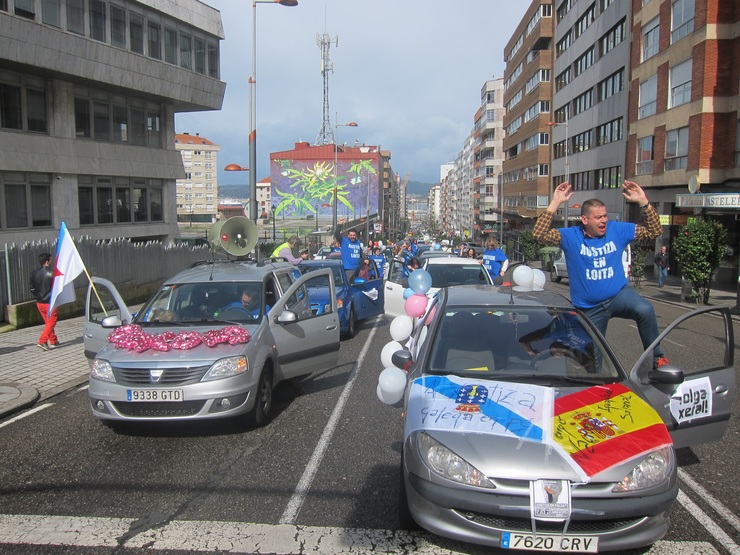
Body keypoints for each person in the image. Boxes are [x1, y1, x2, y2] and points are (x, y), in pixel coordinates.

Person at [532, 180, 669, 370]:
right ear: (585, 220)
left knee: (644, 309)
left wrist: (643, 202)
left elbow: (655, 230)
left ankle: (656, 358)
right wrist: (555, 203)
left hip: (618, 296)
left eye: (605, 216)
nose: (604, 220)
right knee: (594, 361)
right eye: (598, 217)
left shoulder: (617, 230)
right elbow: (539, 234)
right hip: (590, 308)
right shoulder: (571, 236)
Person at [29, 252, 59, 351]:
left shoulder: (34, 273)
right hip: (50, 302)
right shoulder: (52, 273)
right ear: (47, 261)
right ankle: (42, 341)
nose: (51, 262)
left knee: (48, 322)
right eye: (50, 260)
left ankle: (53, 340)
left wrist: (38, 295)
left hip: (39, 302)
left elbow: (32, 288)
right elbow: (57, 288)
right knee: (51, 321)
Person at [334, 217, 363, 282]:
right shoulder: (344, 241)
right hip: (348, 270)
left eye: (354, 235)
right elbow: (336, 234)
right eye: (351, 235)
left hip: (357, 269)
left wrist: (366, 259)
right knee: (350, 286)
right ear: (348, 235)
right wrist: (339, 224)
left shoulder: (357, 242)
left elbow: (360, 252)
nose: (352, 236)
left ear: (356, 236)